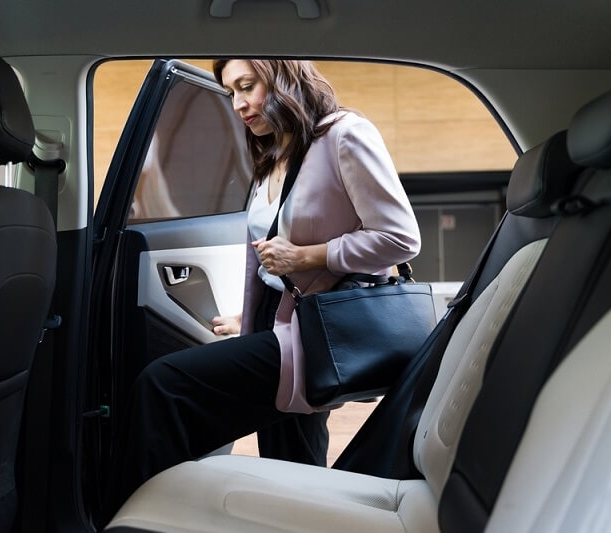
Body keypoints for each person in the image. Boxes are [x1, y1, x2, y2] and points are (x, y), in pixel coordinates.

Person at [112, 59, 421, 507]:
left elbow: (399, 237)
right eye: (231, 93)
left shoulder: (345, 134)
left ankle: (145, 515)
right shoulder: (275, 151)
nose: (237, 104)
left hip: (317, 330)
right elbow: (261, 254)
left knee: (162, 386)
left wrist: (307, 256)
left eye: (247, 86)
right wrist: (249, 316)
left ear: (284, 77)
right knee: (291, 464)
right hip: (280, 319)